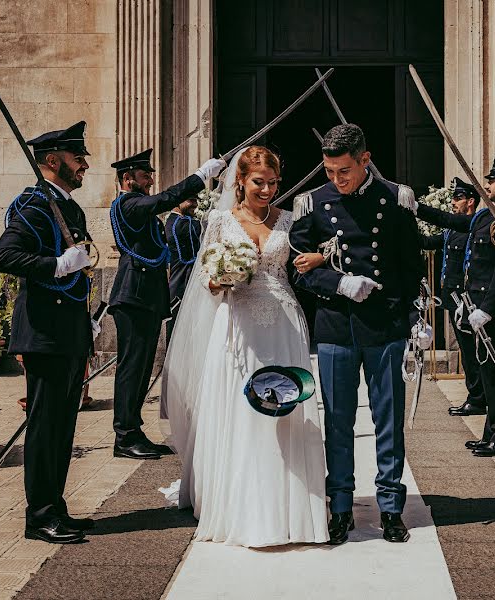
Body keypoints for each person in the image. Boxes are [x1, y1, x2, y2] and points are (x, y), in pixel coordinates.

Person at [160, 146, 329, 548]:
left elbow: (308, 261)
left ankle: (290, 506)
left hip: (284, 323)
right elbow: (206, 280)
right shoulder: (219, 221)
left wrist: (319, 258)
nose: (268, 190)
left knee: (285, 406)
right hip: (237, 323)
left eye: (273, 183)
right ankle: (243, 506)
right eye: (259, 182)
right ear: (240, 181)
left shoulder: (289, 221)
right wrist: (221, 279)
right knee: (240, 407)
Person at [289, 124, 424, 545]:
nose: (336, 180)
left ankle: (390, 507)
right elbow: (298, 265)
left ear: (365, 159)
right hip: (335, 326)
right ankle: (342, 506)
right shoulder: (311, 203)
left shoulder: (395, 198)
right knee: (340, 420)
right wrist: (337, 283)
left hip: (383, 325)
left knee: (388, 420)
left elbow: (409, 265)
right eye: (329, 171)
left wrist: (410, 315)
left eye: (344, 170)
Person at [0, 121, 97, 544]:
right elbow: (6, 256)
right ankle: (39, 516)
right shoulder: (34, 206)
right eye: (78, 158)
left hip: (68, 332)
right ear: (53, 161)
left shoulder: (68, 206)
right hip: (44, 335)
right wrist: (55, 265)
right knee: (45, 428)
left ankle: (56, 506)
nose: (85, 165)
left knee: (63, 428)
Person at [107, 148, 226, 460]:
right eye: (145, 175)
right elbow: (163, 200)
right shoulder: (128, 203)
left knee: (142, 368)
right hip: (132, 297)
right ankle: (124, 436)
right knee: (132, 370)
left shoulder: (138, 206)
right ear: (127, 178)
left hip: (144, 297)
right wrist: (202, 175)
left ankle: (133, 431)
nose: (149, 180)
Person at [416, 157, 495, 457]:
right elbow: (451, 222)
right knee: (488, 373)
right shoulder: (483, 217)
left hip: (490, 310)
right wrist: (415, 208)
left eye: (492, 180)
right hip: (475, 306)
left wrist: (487, 308)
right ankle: (492, 432)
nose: (486, 184)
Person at [418, 177, 487, 418]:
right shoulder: (451, 231)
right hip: (453, 299)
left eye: (457, 198)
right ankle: (476, 395)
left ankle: (478, 398)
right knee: (467, 350)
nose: (453, 203)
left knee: (471, 351)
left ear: (470, 201)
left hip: (466, 300)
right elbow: (427, 242)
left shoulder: (471, 225)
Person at [165, 193, 201, 341]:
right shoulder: (180, 223)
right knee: (178, 332)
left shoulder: (175, 221)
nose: (195, 205)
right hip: (181, 282)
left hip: (180, 282)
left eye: (196, 201)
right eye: (190, 200)